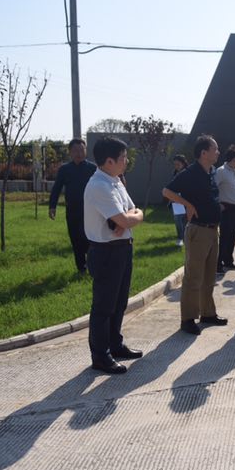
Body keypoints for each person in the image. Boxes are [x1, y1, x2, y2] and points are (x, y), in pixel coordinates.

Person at [83, 137, 144, 374]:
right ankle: (100, 355)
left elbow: (134, 210)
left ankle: (115, 345)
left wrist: (129, 218)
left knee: (119, 302)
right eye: (123, 158)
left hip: (122, 248)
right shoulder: (99, 185)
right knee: (104, 305)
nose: (126, 162)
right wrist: (127, 220)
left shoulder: (115, 181)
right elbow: (126, 219)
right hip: (106, 251)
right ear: (109, 161)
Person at [162, 135, 228, 336]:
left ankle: (207, 313)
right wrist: (188, 205)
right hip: (198, 231)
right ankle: (188, 319)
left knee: (209, 275)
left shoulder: (211, 171)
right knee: (194, 277)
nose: (218, 152)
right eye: (215, 149)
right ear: (204, 153)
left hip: (212, 230)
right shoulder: (190, 173)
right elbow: (167, 191)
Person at [49, 138, 96, 273]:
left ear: (86, 151)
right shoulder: (65, 169)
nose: (79, 153)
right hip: (72, 210)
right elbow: (57, 188)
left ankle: (92, 265)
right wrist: (52, 206)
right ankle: (81, 268)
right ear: (70, 152)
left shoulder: (93, 168)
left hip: (90, 211)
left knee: (88, 239)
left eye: (81, 150)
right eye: (75, 150)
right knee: (75, 239)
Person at [215, 145, 235, 273]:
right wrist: (218, 204)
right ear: (233, 159)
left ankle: (228, 261)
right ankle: (218, 264)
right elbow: (213, 188)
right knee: (225, 237)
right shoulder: (221, 171)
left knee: (233, 236)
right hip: (226, 209)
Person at [169, 155, 188, 246]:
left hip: (186, 200)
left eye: (178, 164)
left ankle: (185, 237)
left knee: (184, 220)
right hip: (176, 200)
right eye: (175, 164)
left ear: (183, 164)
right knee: (178, 219)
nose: (176, 166)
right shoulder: (175, 173)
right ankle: (180, 237)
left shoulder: (187, 173)